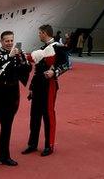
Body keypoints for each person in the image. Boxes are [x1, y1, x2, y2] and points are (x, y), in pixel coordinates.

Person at [0, 30, 31, 171]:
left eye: (11, 40)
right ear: (1, 41)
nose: (9, 43)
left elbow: (27, 69)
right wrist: (9, 56)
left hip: (12, 95)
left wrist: (23, 59)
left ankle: (4, 156)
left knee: (7, 128)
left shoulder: (18, 54)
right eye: (6, 40)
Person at [21, 24, 70, 157]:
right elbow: (37, 70)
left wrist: (55, 72)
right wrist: (31, 87)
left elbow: (67, 64)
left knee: (48, 115)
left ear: (44, 33)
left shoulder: (58, 47)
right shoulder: (43, 48)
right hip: (38, 85)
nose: (39, 35)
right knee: (34, 116)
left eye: (39, 33)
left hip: (49, 85)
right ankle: (32, 144)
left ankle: (49, 145)